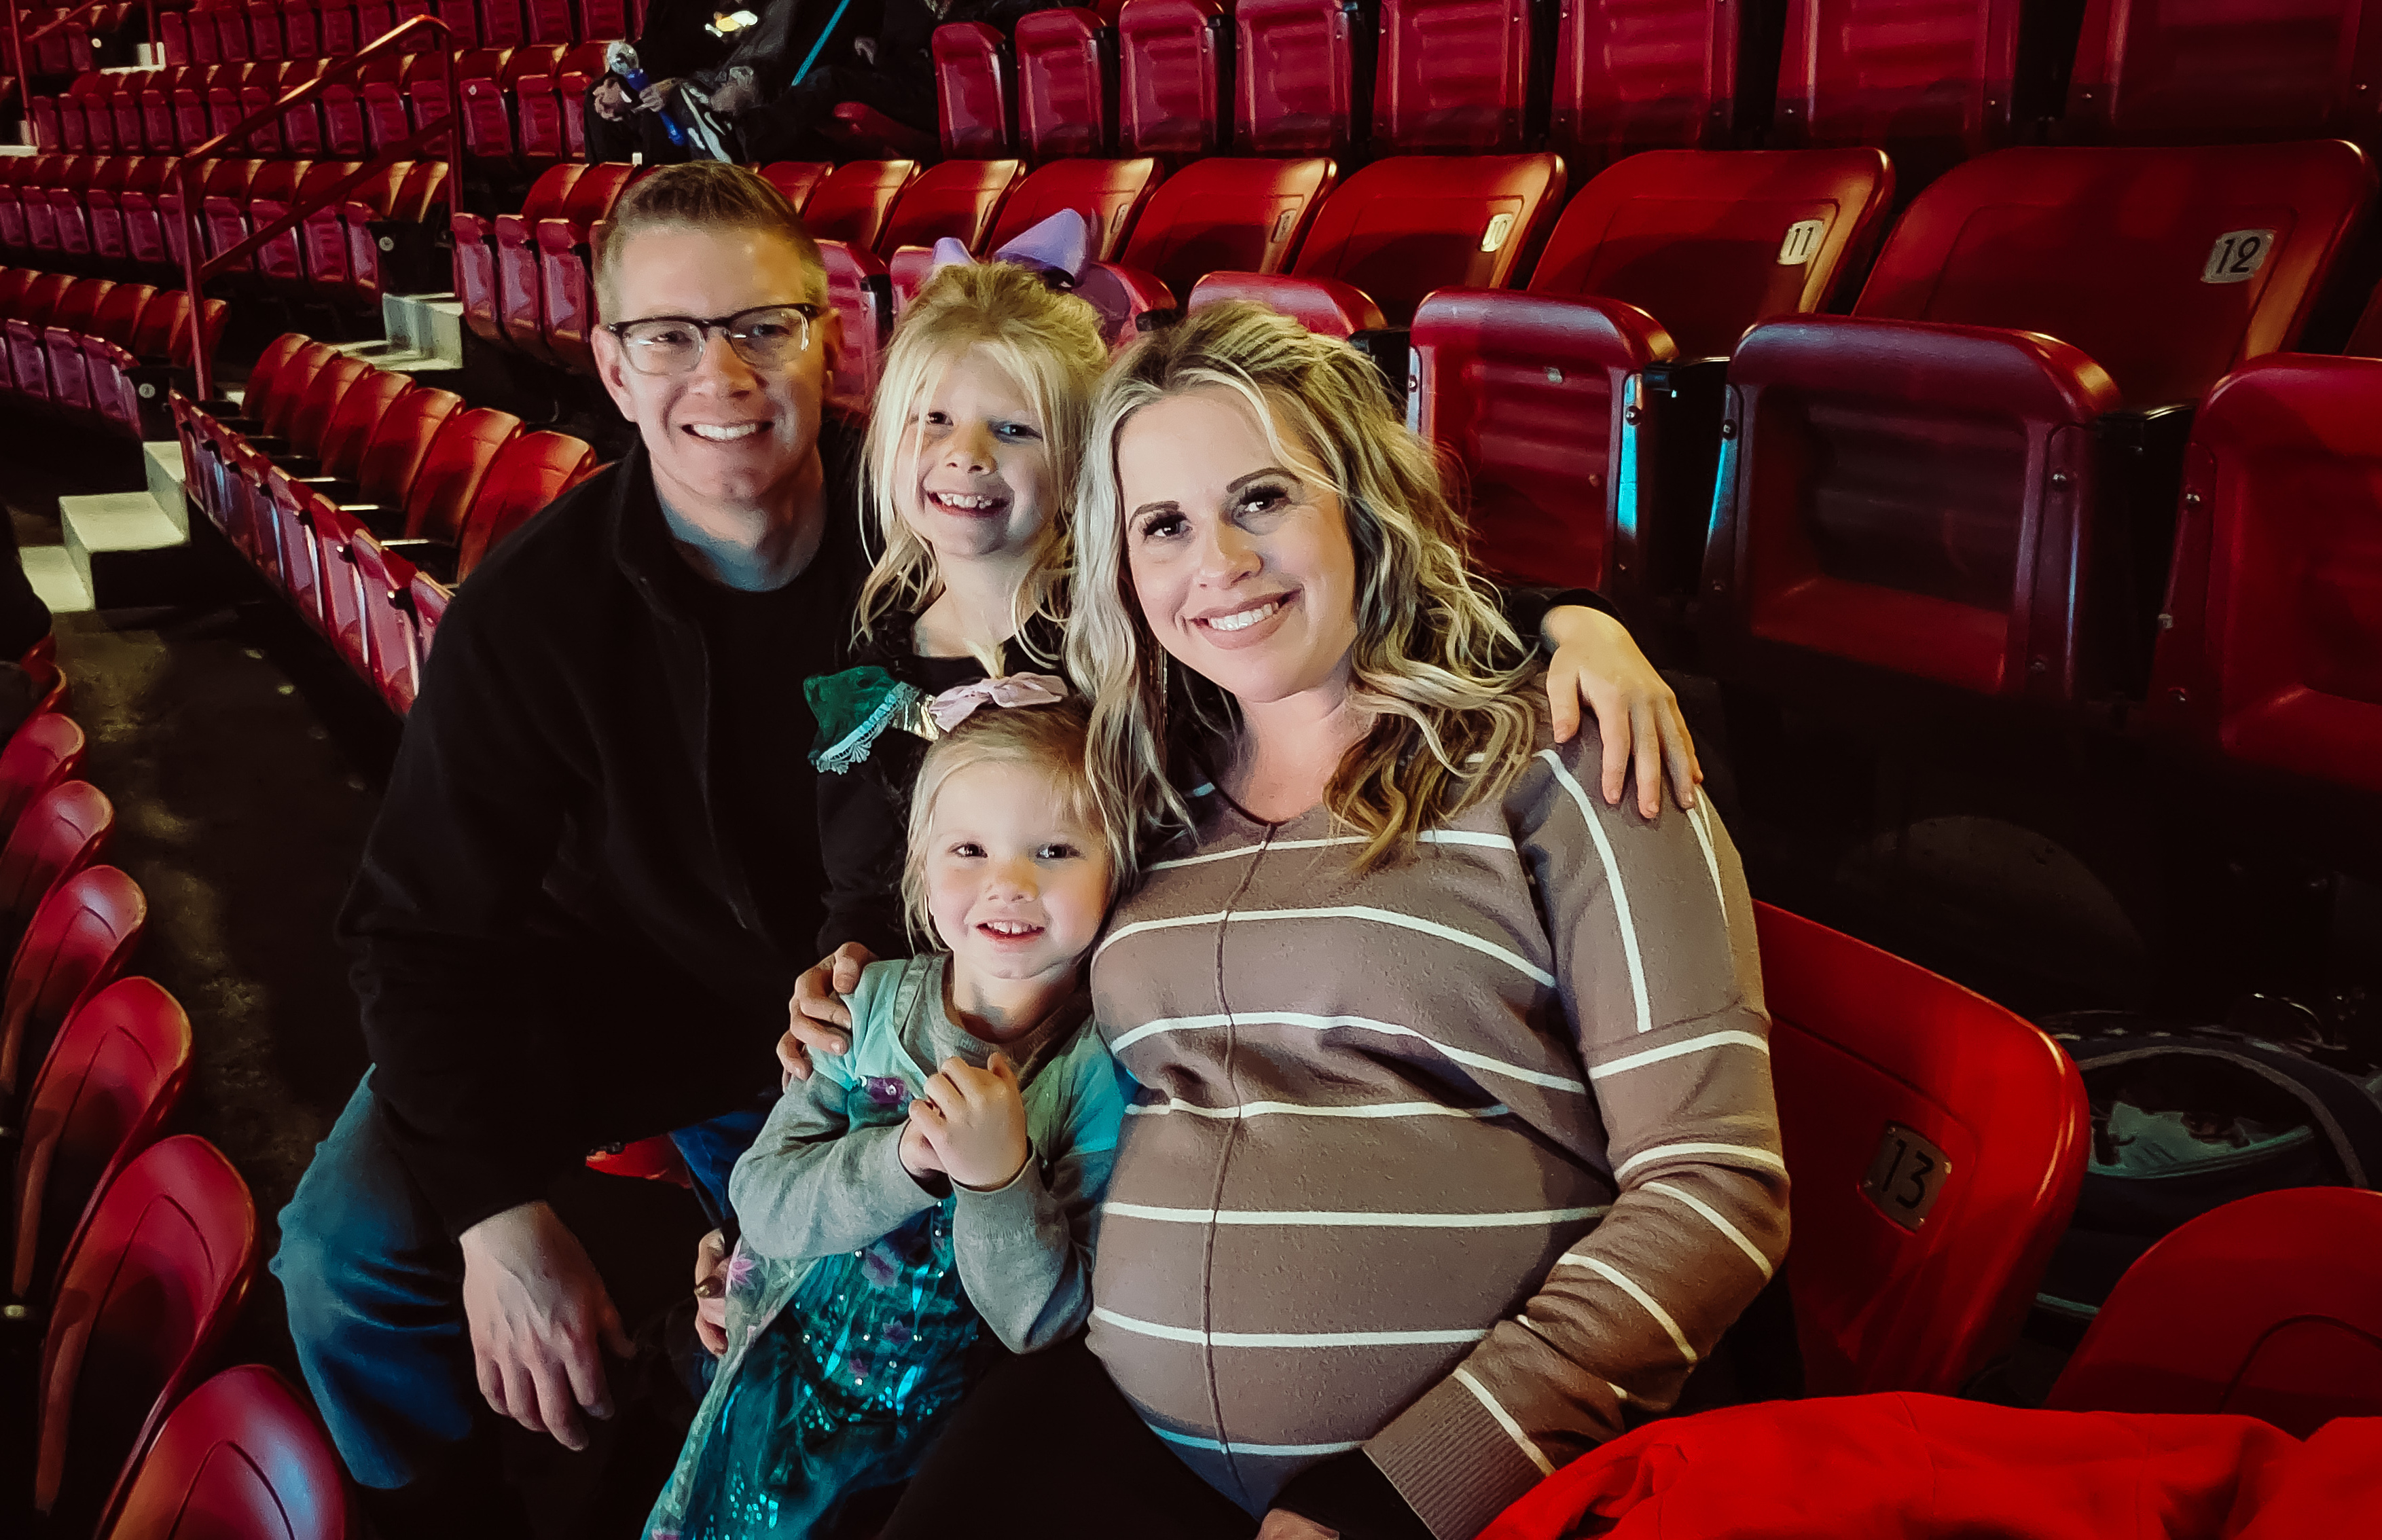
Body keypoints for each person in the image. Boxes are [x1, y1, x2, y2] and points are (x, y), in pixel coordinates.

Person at [787, 302, 1786, 1540]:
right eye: (1162, 525)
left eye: (1260, 498)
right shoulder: (1139, 791)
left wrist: (1399, 1493)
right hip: (1114, 1420)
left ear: (1360, 504)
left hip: (1456, 1495)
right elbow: (995, 1038)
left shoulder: (1565, 752)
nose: (1216, 561)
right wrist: (807, 1175)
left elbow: (1715, 1190)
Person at [270, 163, 887, 1537]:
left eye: (761, 326)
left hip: (862, 1019)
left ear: (827, 339)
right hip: (620, 993)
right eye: (669, 335)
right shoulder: (533, 606)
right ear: (611, 366)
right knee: (341, 1257)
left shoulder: (924, 540)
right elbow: (413, 933)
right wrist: (494, 1214)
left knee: (836, 1333)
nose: (720, 374)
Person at [647, 690, 1134, 1538]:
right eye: (970, 849)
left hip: (928, 1456)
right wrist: (903, 1162)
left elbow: (1041, 1322)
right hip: (770, 1388)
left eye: (1056, 850)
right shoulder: (863, 1010)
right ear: (920, 871)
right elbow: (762, 1203)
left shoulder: (1095, 1078)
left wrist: (998, 1181)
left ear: (1117, 868)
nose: (1009, 883)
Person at [738, 0, 1053, 164]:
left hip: (952, 94)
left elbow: (1033, 14)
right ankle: (750, 144)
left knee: (830, 81)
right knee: (823, 97)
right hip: (906, 83)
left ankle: (746, 138)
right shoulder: (905, 6)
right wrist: (877, 52)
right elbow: (900, 47)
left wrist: (950, 20)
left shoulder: (979, 8)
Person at [586, 0, 882, 164]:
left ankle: (667, 208)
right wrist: (619, 80)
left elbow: (701, 44)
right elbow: (655, 41)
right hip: (704, 74)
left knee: (664, 106)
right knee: (593, 98)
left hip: (741, 76)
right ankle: (610, 211)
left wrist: (632, 89)